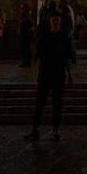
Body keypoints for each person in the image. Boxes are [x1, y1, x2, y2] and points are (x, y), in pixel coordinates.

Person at [24, 8, 73, 141]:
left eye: (57, 19)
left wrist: (69, 74)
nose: (56, 21)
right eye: (53, 19)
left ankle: (55, 129)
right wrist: (38, 75)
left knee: (57, 102)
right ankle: (35, 129)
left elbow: (67, 58)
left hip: (59, 73)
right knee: (40, 103)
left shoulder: (64, 37)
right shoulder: (44, 37)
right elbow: (39, 58)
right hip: (45, 73)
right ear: (49, 21)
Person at [19, 3, 34, 68]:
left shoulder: (26, 15)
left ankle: (26, 62)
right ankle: (26, 62)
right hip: (26, 33)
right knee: (26, 48)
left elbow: (23, 22)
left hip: (25, 34)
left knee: (26, 48)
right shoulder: (28, 15)